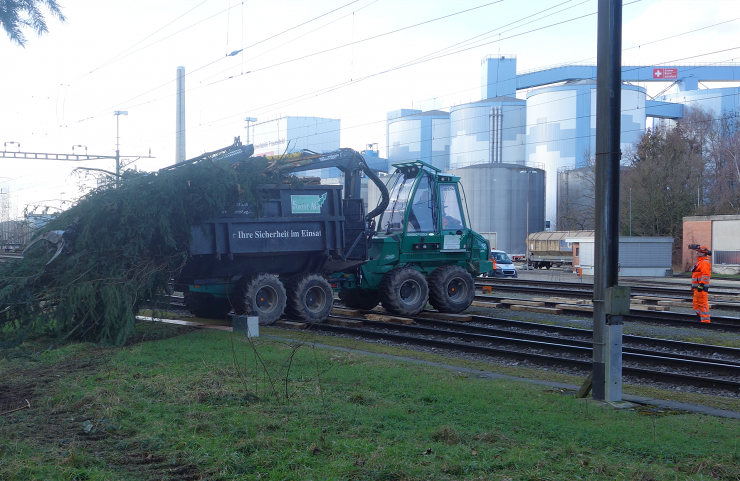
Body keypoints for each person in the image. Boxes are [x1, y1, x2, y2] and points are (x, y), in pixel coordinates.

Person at [691, 245, 712, 323]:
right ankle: (700, 318)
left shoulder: (704, 262)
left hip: (701, 288)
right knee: (696, 303)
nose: (697, 253)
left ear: (704, 253)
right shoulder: (700, 262)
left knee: (702, 303)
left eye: (699, 252)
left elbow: (705, 275)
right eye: (697, 251)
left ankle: (705, 320)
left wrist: (701, 284)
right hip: (697, 288)